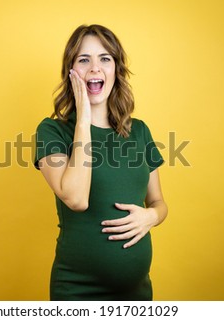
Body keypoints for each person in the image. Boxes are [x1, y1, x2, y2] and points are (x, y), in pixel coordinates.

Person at [33, 24, 168, 301]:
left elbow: (158, 202)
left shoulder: (139, 131)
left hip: (137, 294)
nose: (95, 68)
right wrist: (84, 117)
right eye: (84, 60)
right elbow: (76, 199)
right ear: (71, 72)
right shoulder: (53, 131)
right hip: (76, 291)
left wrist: (151, 217)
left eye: (104, 59)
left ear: (116, 70)